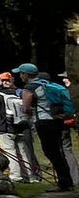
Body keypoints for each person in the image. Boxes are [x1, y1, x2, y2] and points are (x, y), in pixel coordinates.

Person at [17, 63, 75, 191]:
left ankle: (64, 183)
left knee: (51, 152)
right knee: (59, 152)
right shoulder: (47, 84)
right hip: (57, 121)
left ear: (26, 75)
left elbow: (26, 108)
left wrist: (26, 110)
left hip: (43, 122)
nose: (20, 76)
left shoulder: (29, 87)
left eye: (21, 73)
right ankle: (67, 181)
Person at [0, 77, 37, 182]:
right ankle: (29, 176)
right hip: (19, 126)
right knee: (22, 152)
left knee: (10, 153)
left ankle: (15, 176)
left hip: (4, 129)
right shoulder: (12, 93)